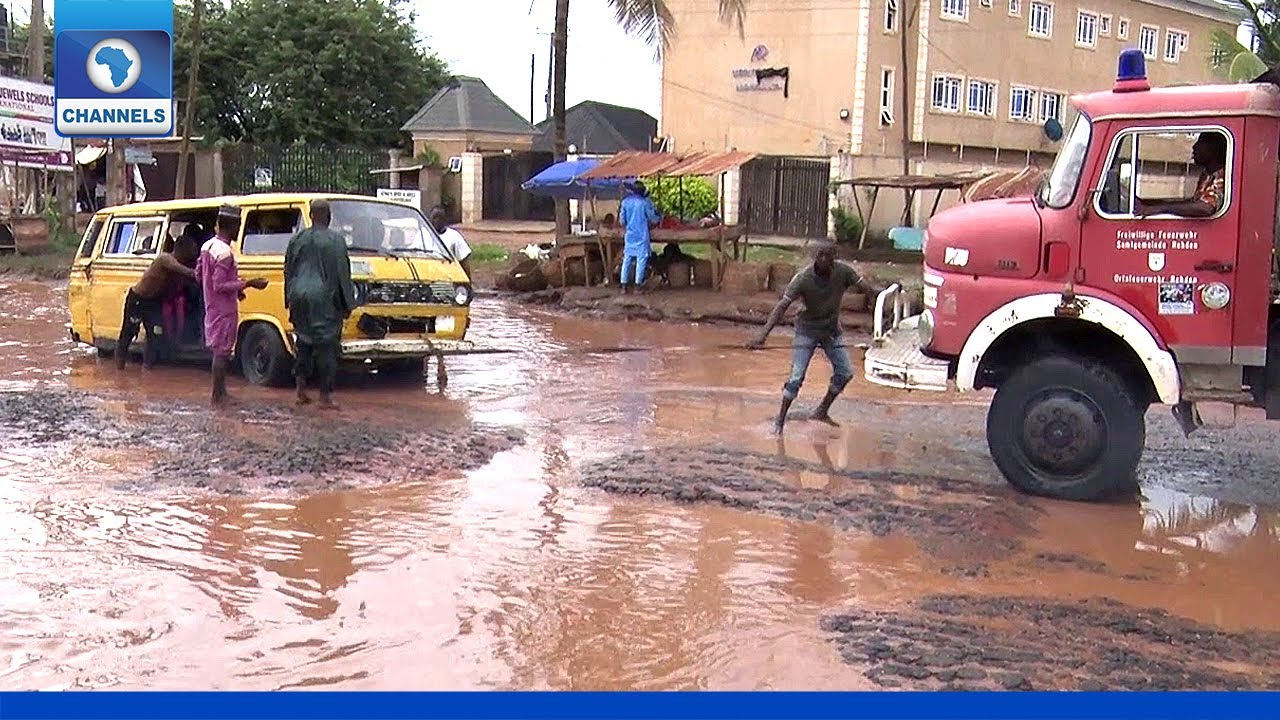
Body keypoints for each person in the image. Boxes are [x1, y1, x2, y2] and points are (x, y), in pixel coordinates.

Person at [748, 243, 871, 434]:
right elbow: (782, 306)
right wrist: (762, 336)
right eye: (819, 256)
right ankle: (779, 421)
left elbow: (865, 288)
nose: (823, 259)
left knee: (845, 372)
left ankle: (821, 411)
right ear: (814, 257)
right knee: (797, 377)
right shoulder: (803, 279)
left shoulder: (843, 272)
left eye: (827, 255)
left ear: (834, 257)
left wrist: (880, 308)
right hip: (807, 331)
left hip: (831, 331)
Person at [284, 199, 355, 409]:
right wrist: (348, 303)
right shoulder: (336, 241)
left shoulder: (296, 240)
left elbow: (288, 270)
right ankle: (325, 397)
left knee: (303, 344)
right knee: (327, 348)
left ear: (311, 214)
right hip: (324, 300)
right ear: (328, 215)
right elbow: (343, 274)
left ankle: (300, 391)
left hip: (299, 297)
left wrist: (288, 298)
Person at [196, 205, 269, 407]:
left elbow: (199, 274)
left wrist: (237, 290)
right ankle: (217, 396)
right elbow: (219, 284)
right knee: (222, 352)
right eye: (238, 226)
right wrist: (249, 283)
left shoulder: (207, 247)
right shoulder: (225, 253)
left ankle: (220, 393)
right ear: (232, 226)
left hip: (212, 306)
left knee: (219, 351)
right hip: (224, 309)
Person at [115, 231, 201, 370]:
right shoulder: (165, 259)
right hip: (138, 300)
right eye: (191, 252)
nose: (192, 256)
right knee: (128, 333)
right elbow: (184, 271)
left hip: (154, 302)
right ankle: (119, 369)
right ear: (181, 251)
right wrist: (198, 273)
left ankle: (147, 368)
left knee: (155, 335)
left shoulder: (179, 269)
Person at [1136, 132, 1227, 218]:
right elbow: (1194, 202)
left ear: (1214, 148)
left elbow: (1206, 207)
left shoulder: (1223, 176)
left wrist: (1159, 209)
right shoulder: (1207, 174)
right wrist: (1151, 204)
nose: (1194, 147)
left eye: (1201, 142)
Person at [618, 180, 660, 294]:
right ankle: (637, 286)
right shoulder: (644, 203)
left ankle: (623, 286)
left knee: (627, 259)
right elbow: (653, 218)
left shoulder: (625, 202)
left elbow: (622, 221)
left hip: (630, 235)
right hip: (641, 235)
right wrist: (659, 216)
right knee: (641, 260)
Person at [429, 207, 472, 279]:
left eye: (439, 218)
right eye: (434, 218)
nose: (436, 221)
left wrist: (467, 283)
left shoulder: (454, 236)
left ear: (445, 220)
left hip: (448, 276)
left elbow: (464, 262)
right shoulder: (423, 235)